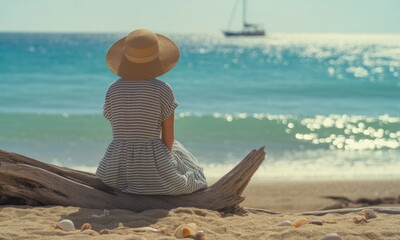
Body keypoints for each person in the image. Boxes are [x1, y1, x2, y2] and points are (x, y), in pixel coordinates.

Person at [95, 29, 207, 195]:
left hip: (115, 168)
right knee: (189, 166)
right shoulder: (162, 90)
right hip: (150, 167)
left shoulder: (112, 89)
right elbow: (168, 138)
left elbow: (117, 124)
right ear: (157, 58)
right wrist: (162, 164)